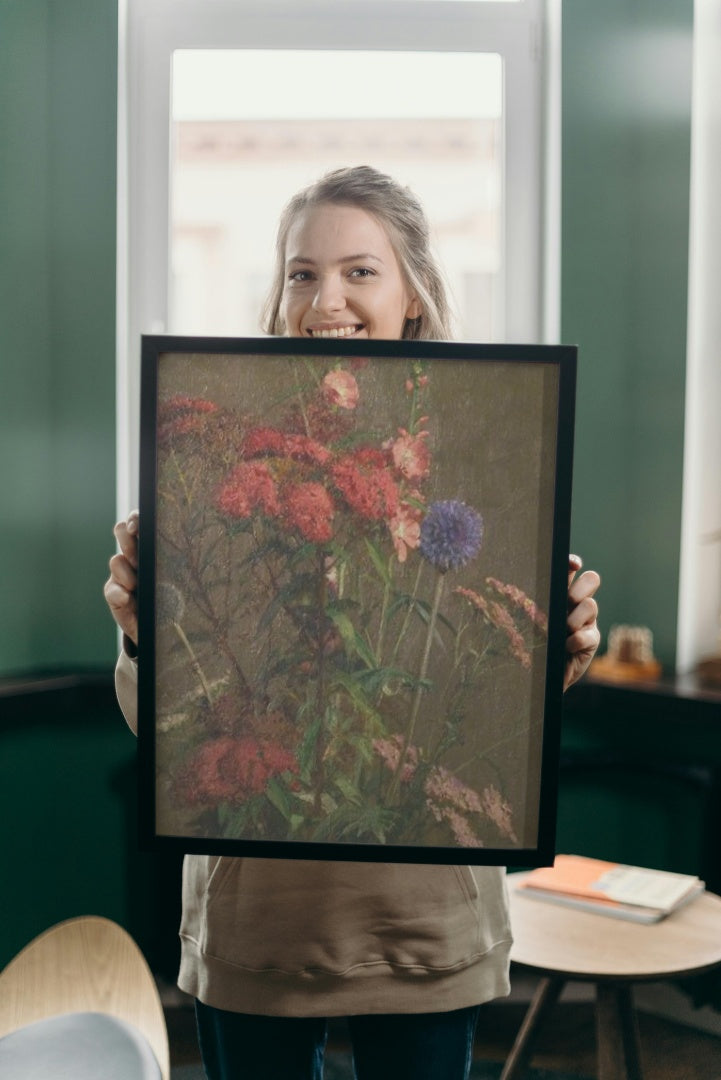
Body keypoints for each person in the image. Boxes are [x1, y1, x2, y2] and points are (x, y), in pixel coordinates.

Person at [105, 166, 601, 1080]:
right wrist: (145, 637)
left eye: (358, 271)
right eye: (301, 272)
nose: (324, 298)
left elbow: (487, 706)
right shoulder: (222, 457)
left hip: (422, 924)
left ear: (412, 293)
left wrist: (557, 650)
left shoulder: (490, 443)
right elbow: (169, 734)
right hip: (258, 923)